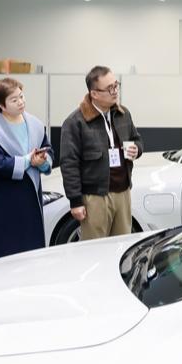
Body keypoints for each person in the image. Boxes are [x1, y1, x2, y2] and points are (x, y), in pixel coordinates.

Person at [59, 66, 143, 241]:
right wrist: (75, 201)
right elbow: (69, 164)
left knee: (122, 246)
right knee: (94, 249)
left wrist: (137, 149)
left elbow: (137, 139)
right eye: (109, 88)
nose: (115, 91)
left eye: (116, 85)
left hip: (123, 192)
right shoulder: (75, 122)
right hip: (95, 197)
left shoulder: (123, 114)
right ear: (94, 94)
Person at [0, 78, 52, 262]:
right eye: (14, 100)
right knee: (3, 243)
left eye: (21, 96)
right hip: (2, 196)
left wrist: (41, 161)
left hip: (29, 193)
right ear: (1, 105)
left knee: (30, 240)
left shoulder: (34, 124)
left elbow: (48, 150)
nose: (21, 102)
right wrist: (26, 160)